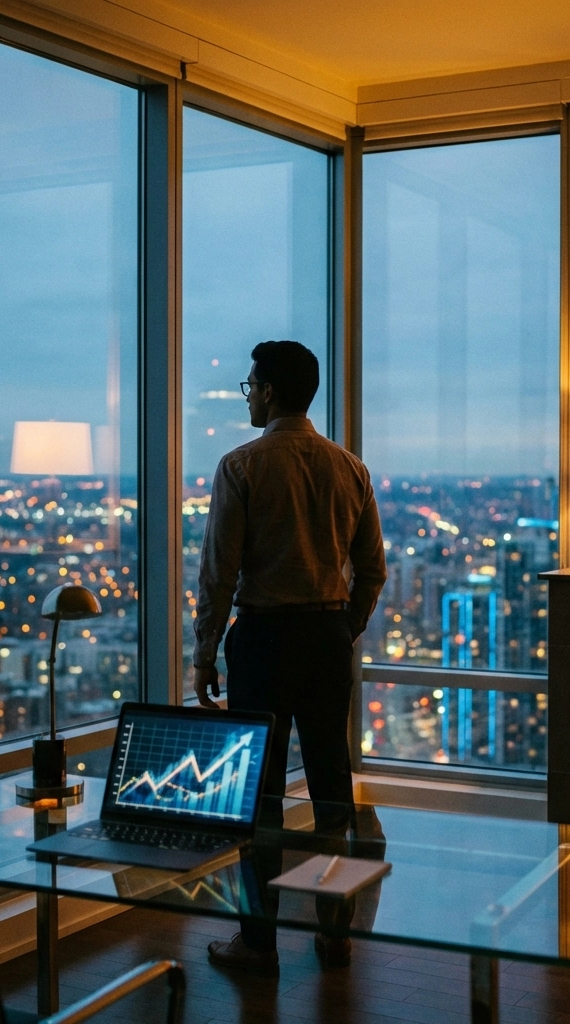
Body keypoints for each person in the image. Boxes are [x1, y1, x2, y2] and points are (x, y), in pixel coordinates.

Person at [192, 339, 386, 973]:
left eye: (250, 386)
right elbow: (372, 570)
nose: (248, 396)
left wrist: (204, 653)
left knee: (261, 798)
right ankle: (334, 931)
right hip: (327, 640)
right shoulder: (350, 468)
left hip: (264, 642)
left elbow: (219, 574)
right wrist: (345, 628)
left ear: (269, 391)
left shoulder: (241, 466)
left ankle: (258, 942)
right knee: (332, 789)